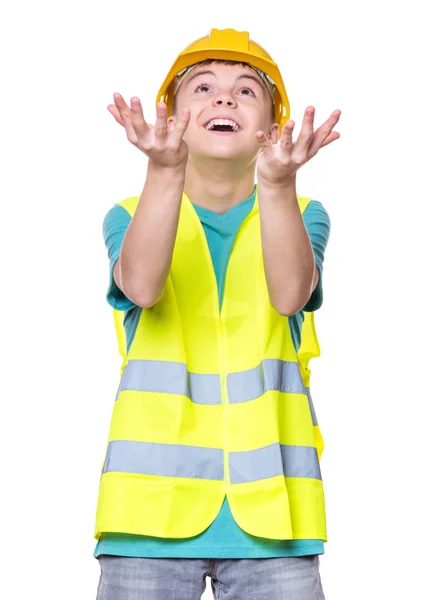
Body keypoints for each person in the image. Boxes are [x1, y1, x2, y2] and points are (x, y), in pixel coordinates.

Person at [94, 27, 340, 600]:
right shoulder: (128, 214)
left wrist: (278, 183)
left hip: (276, 519)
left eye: (245, 91)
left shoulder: (306, 213)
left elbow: (289, 296)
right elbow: (143, 286)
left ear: (270, 129)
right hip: (147, 519)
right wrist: (163, 172)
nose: (224, 98)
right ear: (171, 117)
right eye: (203, 87)